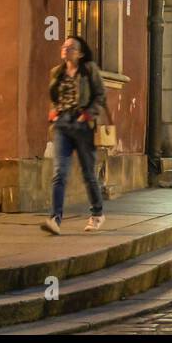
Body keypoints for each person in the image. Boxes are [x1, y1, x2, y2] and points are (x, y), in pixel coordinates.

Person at [42, 36, 107, 235]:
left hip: (83, 126)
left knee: (88, 173)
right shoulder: (57, 72)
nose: (66, 49)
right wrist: (53, 112)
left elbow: (100, 96)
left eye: (71, 47)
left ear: (80, 53)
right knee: (59, 173)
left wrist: (88, 114)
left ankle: (97, 214)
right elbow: (54, 97)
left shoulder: (89, 71)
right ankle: (55, 219)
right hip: (62, 126)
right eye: (65, 46)